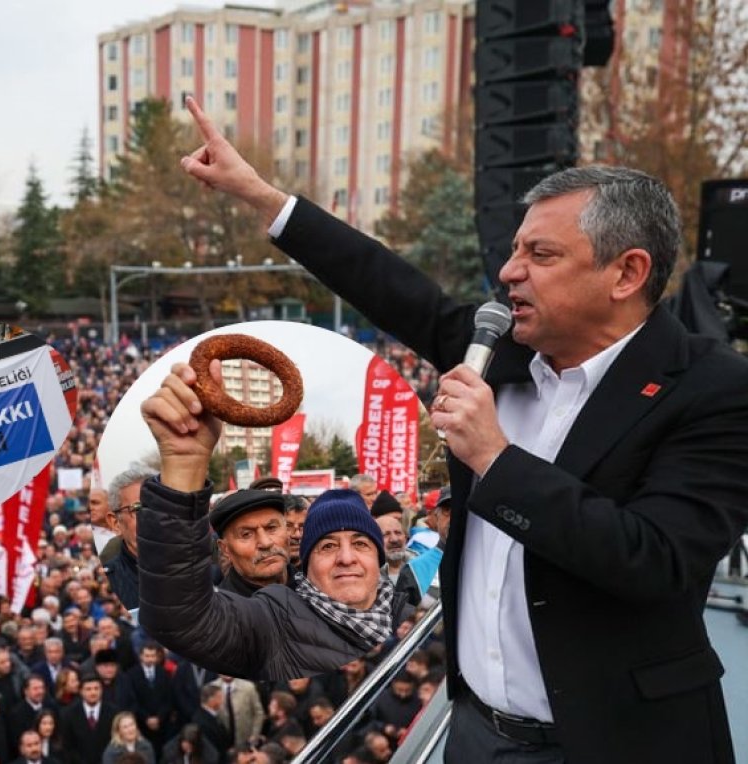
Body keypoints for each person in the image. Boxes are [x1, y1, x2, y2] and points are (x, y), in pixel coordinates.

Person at [176, 95, 748, 762]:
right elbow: (390, 285)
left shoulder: (713, 389)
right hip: (475, 731)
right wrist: (261, 196)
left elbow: (657, 561)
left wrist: (497, 461)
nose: (509, 272)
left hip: (617, 742)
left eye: (540, 254)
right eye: (514, 250)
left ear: (627, 272)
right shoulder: (503, 349)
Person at [137, 354, 400, 678]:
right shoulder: (268, 614)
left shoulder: (405, 606)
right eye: (328, 546)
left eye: (361, 543)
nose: (264, 542)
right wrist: (184, 464)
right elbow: (180, 617)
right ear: (224, 549)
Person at [100, 466, 154, 610]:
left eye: (159, 507)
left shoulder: (198, 569)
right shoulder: (108, 584)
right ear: (115, 522)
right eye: (138, 509)